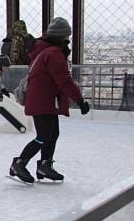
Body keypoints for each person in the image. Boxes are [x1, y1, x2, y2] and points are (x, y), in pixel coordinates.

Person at [9, 17, 90, 184]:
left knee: (52, 134)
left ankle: (44, 165)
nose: (68, 40)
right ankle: (19, 163)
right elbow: (64, 80)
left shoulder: (45, 50)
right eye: (67, 36)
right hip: (43, 100)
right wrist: (80, 101)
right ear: (62, 37)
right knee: (44, 136)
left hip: (46, 100)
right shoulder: (53, 53)